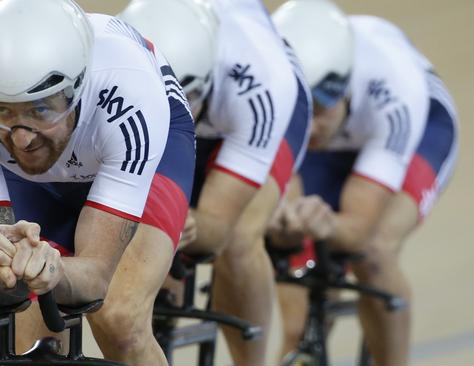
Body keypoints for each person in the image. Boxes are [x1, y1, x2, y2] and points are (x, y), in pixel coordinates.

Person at [0, 0, 196, 365]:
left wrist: (52, 270)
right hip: (33, 177)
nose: (22, 138)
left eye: (40, 109)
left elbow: (95, 281)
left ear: (78, 89)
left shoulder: (129, 95)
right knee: (23, 343)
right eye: (4, 111)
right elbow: (4, 295)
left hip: (135, 147)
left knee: (120, 319)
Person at [119, 1, 311, 365]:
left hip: (255, 112)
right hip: (193, 100)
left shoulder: (261, 87)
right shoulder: (116, 58)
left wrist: (186, 222)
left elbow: (216, 230)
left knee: (237, 239)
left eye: (179, 101)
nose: (170, 111)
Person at [269, 1, 459, 365]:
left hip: (416, 133)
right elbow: (283, 214)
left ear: (346, 91)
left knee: (373, 251)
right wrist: (292, 225)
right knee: (298, 319)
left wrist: (326, 226)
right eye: (302, 113)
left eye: (321, 111)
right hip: (329, 145)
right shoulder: (273, 87)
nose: (311, 127)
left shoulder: (393, 84)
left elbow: (356, 230)